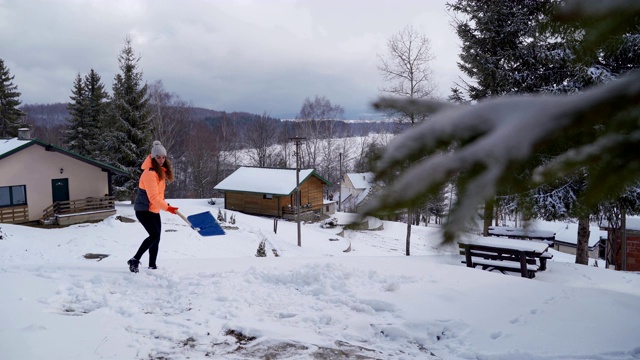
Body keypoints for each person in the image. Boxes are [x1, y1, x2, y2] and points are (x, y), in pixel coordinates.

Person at [127, 140, 178, 273]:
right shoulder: (150, 173)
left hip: (153, 209)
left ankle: (152, 266)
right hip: (144, 210)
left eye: (163, 157)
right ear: (153, 157)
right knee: (154, 236)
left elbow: (159, 195)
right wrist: (168, 208)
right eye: (158, 157)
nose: (161, 160)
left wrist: (167, 206)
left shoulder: (159, 172)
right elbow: (153, 198)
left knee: (156, 238)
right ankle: (134, 260)